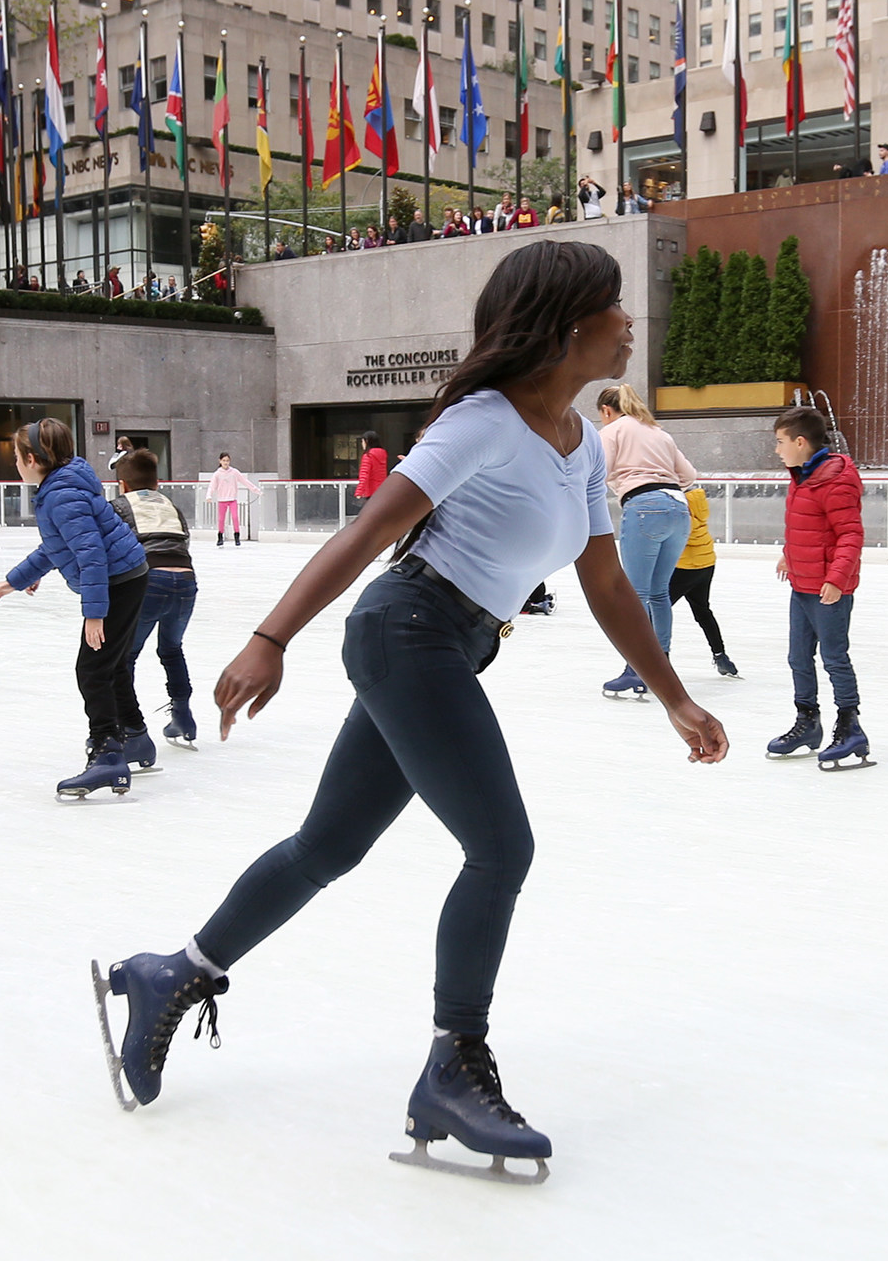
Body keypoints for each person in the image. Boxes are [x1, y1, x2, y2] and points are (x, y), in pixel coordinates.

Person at [93, 240, 729, 1179]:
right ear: (564, 325)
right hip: (409, 631)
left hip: (450, 645)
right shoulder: (482, 421)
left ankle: (171, 972)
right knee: (502, 848)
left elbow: (603, 580)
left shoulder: (583, 441)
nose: (629, 323)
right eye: (614, 306)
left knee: (327, 847)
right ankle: (452, 1068)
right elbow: (372, 527)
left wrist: (674, 696)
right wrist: (271, 637)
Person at [0, 417, 154, 796]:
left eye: (15, 456)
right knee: (107, 666)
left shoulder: (60, 495)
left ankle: (109, 755)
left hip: (116, 582)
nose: (14, 463)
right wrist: (14, 581)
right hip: (127, 575)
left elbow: (92, 555)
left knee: (93, 670)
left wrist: (94, 613)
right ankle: (135, 737)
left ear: (32, 458)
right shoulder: (65, 483)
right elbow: (58, 546)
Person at [766, 406, 871, 770]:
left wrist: (836, 580)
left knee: (834, 658)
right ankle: (808, 722)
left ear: (800, 441)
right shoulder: (802, 476)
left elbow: (850, 535)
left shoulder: (835, 479)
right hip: (802, 583)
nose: (777, 450)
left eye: (780, 442)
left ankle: (850, 726)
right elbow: (806, 528)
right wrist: (788, 556)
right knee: (798, 657)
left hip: (829, 589)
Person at [594, 383, 700, 701]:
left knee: (635, 594)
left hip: (644, 508)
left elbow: (598, 472)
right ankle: (660, 664)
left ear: (606, 411)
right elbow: (689, 475)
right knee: (659, 593)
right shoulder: (659, 432)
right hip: (679, 509)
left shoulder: (612, 431)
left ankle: (636, 668)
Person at [111, 449, 201, 747]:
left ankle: (128, 725)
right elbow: (183, 539)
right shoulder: (170, 505)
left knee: (125, 656)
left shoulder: (119, 506)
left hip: (149, 581)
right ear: (158, 483)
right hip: (186, 580)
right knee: (172, 649)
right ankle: (183, 716)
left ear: (122, 485)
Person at [668, 482, 738, 678]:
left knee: (655, 612)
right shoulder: (696, 501)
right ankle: (721, 656)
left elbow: (676, 535)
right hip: (706, 563)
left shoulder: (678, 504)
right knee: (703, 611)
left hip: (685, 567)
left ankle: (654, 665)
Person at [207, 451, 256, 546]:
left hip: (232, 499)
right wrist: (208, 495)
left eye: (227, 460)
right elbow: (212, 486)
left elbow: (245, 481)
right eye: (224, 460)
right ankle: (220, 536)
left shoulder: (234, 472)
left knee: (235, 517)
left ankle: (237, 537)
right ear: (220, 461)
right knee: (221, 519)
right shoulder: (217, 474)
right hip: (222, 499)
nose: (226, 462)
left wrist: (256, 490)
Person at [352, 431, 388, 506]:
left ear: (367, 441)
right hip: (381, 490)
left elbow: (364, 475)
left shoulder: (368, 456)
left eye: (362, 441)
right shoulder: (382, 454)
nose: (362, 444)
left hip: (370, 491)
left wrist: (359, 492)